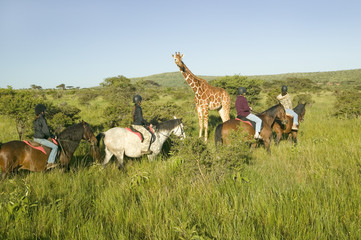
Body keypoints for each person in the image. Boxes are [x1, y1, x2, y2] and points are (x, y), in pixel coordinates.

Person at [33, 104, 58, 169]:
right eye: (44, 111)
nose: (45, 112)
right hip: (40, 139)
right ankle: (50, 162)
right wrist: (53, 136)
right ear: (41, 112)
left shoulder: (36, 119)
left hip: (35, 138)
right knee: (55, 147)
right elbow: (46, 131)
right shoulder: (42, 119)